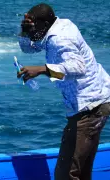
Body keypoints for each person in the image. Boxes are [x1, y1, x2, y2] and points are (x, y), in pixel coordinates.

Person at [17, 3, 110, 180]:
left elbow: (78, 68)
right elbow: (29, 48)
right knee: (79, 171)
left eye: (33, 26)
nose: (32, 31)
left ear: (43, 24)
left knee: (67, 174)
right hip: (93, 101)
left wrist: (42, 70)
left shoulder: (60, 38)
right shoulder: (54, 28)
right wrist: (24, 32)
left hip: (90, 106)